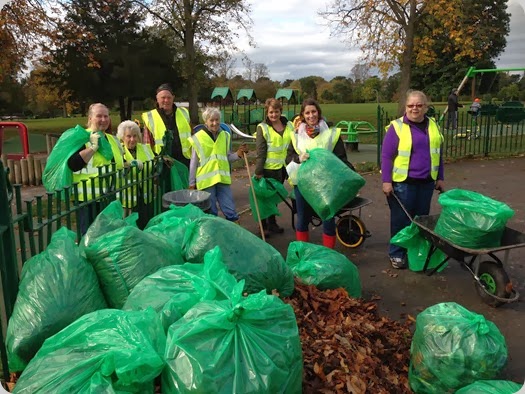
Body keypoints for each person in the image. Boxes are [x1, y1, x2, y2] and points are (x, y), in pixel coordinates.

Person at [381, 90, 445, 269]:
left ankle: (415, 252)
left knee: (420, 221)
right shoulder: (397, 127)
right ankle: (397, 253)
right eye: (410, 105)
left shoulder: (433, 125)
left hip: (426, 183)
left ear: (426, 107)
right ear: (405, 107)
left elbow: (438, 153)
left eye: (419, 105)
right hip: (403, 184)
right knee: (401, 221)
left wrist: (440, 177)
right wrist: (386, 181)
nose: (414, 108)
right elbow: (386, 156)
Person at [285, 98, 354, 249]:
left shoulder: (331, 134)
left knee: (328, 219)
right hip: (303, 184)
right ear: (303, 115)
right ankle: (303, 253)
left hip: (326, 185)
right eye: (307, 113)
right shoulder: (296, 136)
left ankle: (328, 254)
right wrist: (298, 158)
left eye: (314, 111)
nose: (311, 116)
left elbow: (342, 159)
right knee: (302, 219)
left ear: (319, 112)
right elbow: (288, 161)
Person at [66, 103, 125, 234]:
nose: (103, 120)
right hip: (87, 200)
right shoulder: (81, 137)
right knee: (89, 238)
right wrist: (92, 148)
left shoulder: (113, 139)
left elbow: (117, 162)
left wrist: (130, 164)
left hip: (109, 197)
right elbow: (73, 164)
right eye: (99, 116)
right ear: (90, 118)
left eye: (106, 116)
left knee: (107, 237)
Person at [188, 107, 248, 222]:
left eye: (217, 120)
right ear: (206, 121)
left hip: (222, 179)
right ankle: (213, 235)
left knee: (230, 209)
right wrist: (192, 183)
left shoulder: (225, 136)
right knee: (211, 211)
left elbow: (227, 157)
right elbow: (193, 163)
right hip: (206, 181)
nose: (215, 123)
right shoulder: (198, 138)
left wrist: (238, 154)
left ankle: (233, 233)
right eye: (211, 120)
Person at [254, 98, 294, 237]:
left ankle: (272, 223)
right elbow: (261, 151)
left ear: (280, 111)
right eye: (271, 112)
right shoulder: (263, 128)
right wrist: (259, 171)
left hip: (282, 168)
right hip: (268, 169)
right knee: (265, 199)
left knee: (275, 198)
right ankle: (263, 226)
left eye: (276, 112)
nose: (273, 115)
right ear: (267, 112)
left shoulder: (289, 125)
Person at [142, 83, 192, 191]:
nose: (166, 100)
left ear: (173, 98)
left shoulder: (184, 113)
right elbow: (147, 145)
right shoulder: (150, 117)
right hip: (163, 165)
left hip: (184, 162)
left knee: (185, 192)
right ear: (157, 99)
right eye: (163, 98)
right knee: (167, 193)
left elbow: (191, 135)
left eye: (169, 97)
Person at [116, 120, 155, 229]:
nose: (132, 139)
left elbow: (154, 161)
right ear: (122, 137)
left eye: (135, 136)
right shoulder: (119, 151)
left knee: (145, 225)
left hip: (145, 196)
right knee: (129, 228)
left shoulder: (145, 148)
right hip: (127, 200)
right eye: (128, 136)